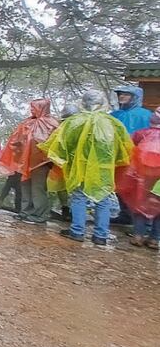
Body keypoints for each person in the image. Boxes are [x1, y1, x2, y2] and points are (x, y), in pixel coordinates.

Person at [41, 90, 133, 245]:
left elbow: (61, 144)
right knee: (103, 198)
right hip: (104, 168)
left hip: (80, 165)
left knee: (79, 197)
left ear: (83, 102)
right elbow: (124, 146)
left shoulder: (75, 121)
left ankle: (77, 231)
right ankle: (101, 235)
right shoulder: (112, 122)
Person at [0, 99, 59, 223]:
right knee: (25, 186)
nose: (31, 110)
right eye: (31, 108)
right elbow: (17, 139)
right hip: (25, 162)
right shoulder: (27, 122)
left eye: (34, 107)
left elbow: (55, 144)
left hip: (41, 163)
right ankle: (25, 212)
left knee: (38, 188)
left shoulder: (52, 124)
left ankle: (40, 215)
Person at [117, 108, 160, 248]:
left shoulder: (141, 134)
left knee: (140, 205)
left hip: (143, 178)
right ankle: (154, 239)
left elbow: (128, 146)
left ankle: (138, 236)